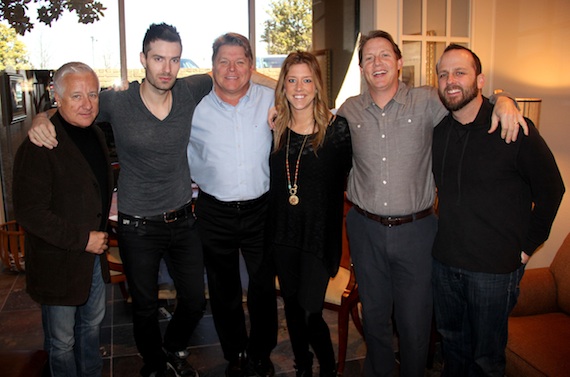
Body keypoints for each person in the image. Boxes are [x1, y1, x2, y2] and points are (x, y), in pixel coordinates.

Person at [336, 30, 526, 377]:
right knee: (375, 318)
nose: (376, 63)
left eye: (384, 56)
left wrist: (505, 100)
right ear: (362, 68)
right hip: (364, 230)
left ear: (398, 62)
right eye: (369, 58)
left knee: (415, 323)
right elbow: (310, 120)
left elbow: (470, 99)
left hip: (417, 232)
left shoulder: (429, 101)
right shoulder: (349, 110)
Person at [28, 23, 212, 377]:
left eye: (174, 59)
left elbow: (234, 73)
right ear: (144, 59)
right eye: (158, 58)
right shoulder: (117, 101)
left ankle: (172, 345)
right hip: (137, 226)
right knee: (143, 306)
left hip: (183, 219)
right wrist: (39, 116)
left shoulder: (191, 89)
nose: (166, 68)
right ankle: (155, 363)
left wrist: (280, 95)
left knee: (194, 299)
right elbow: (73, 106)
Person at [431, 44, 565, 376]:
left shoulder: (513, 128)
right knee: (452, 349)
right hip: (445, 264)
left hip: (493, 272)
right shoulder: (438, 132)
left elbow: (552, 190)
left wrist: (525, 249)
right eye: (444, 74)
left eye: (460, 72)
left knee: (487, 360)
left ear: (480, 79)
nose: (451, 81)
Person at [13, 62, 113, 377]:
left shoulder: (95, 132)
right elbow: (31, 213)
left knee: (90, 330)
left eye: (93, 95)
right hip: (58, 263)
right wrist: (83, 239)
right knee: (62, 342)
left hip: (91, 260)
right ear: (56, 95)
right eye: (77, 96)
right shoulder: (39, 144)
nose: (87, 104)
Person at [188, 32, 278, 377]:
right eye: (224, 61)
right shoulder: (193, 108)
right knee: (223, 289)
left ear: (251, 66)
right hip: (214, 210)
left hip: (261, 209)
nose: (232, 68)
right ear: (212, 66)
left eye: (240, 61)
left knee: (261, 286)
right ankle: (235, 353)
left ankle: (261, 351)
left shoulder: (272, 99)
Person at [267, 51, 352, 376]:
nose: (299, 87)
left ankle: (327, 368)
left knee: (309, 312)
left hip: (318, 239)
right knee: (291, 306)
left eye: (306, 80)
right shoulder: (276, 128)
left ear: (317, 85)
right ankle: (303, 364)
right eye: (292, 80)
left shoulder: (337, 131)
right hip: (284, 237)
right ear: (283, 86)